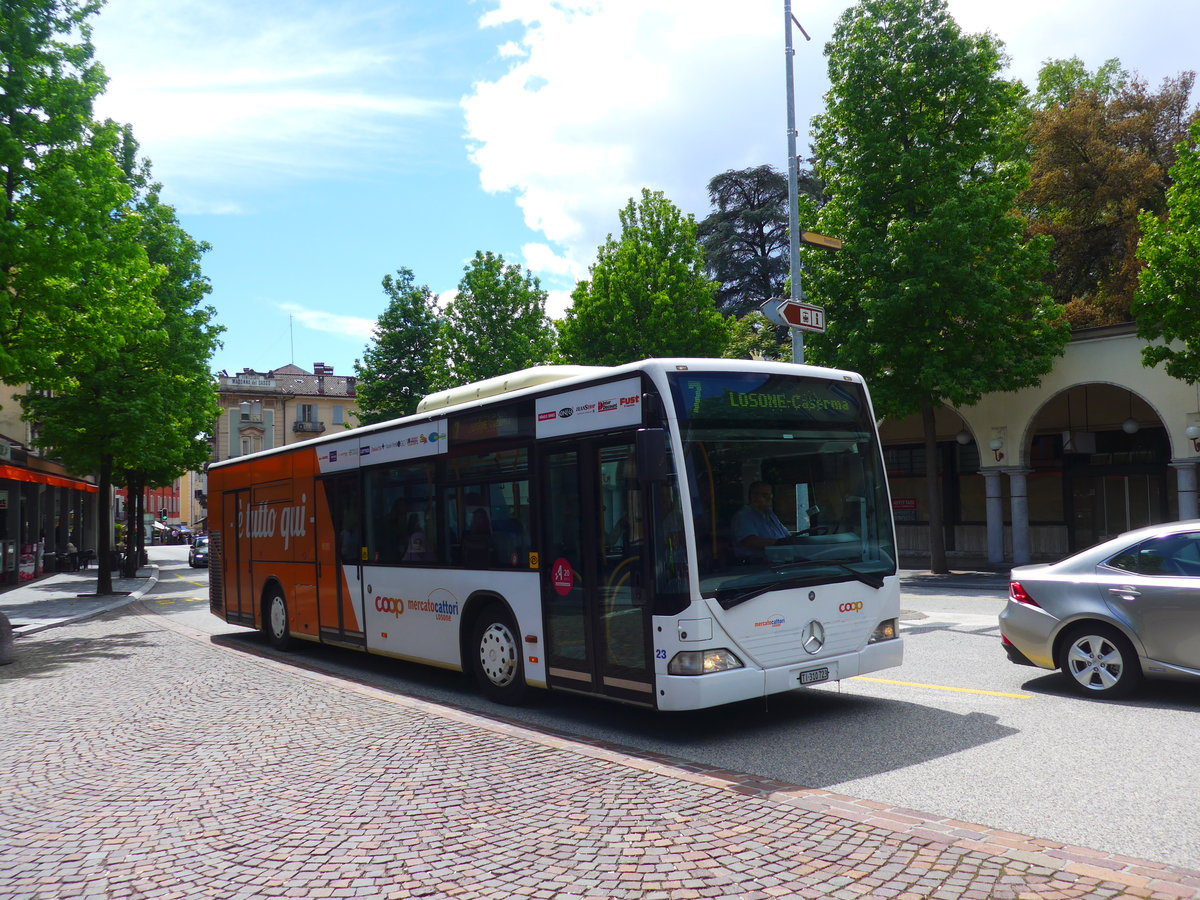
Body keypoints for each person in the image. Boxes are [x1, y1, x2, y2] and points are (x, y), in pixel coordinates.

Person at [731, 482, 790, 562]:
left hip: (776, 562)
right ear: (753, 496)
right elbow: (750, 541)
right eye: (765, 495)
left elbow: (786, 536)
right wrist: (780, 543)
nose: (770, 498)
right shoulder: (744, 516)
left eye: (770, 495)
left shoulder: (770, 515)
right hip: (754, 565)